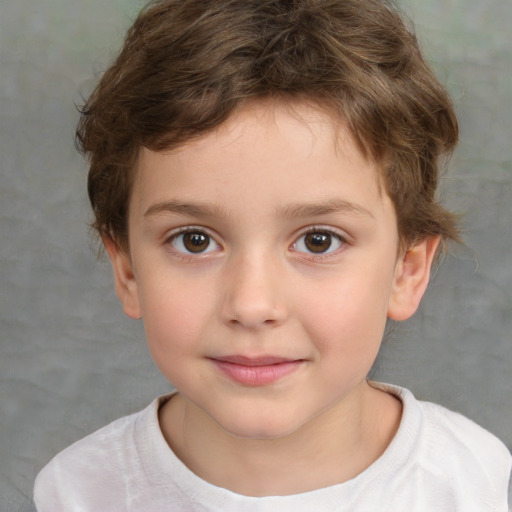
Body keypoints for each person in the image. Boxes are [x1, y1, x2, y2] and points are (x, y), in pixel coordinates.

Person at [33, 0, 511, 510]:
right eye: (195, 240)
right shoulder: (77, 493)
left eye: (318, 241)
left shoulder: (477, 482)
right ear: (127, 270)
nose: (253, 303)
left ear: (407, 270)